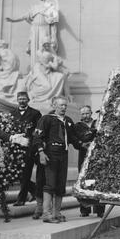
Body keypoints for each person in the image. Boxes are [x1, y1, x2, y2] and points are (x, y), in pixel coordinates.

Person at [33, 96, 86, 224]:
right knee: (50, 183)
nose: (64, 108)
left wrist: (83, 144)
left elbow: (73, 138)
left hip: (64, 154)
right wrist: (41, 153)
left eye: (65, 106)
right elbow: (37, 137)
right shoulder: (46, 119)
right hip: (51, 154)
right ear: (54, 106)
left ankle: (57, 212)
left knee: (61, 184)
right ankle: (47, 213)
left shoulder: (68, 120)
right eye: (61, 105)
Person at [6, 0, 59, 68]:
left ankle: (44, 68)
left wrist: (53, 36)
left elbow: (53, 22)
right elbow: (24, 16)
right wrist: (13, 20)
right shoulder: (34, 7)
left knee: (44, 47)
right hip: (35, 29)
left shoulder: (50, 6)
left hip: (44, 29)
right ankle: (34, 69)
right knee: (34, 49)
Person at [11, 91, 42, 207]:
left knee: (25, 173)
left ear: (28, 100)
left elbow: (39, 131)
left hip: (29, 148)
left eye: (24, 99)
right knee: (18, 174)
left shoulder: (35, 113)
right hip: (15, 148)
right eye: (20, 99)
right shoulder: (12, 113)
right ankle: (34, 190)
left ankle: (21, 199)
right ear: (17, 100)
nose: (22, 101)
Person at [74, 105, 105, 217]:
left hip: (97, 156)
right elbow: (81, 138)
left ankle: (99, 210)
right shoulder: (78, 126)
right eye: (83, 114)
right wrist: (92, 132)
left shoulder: (98, 122)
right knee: (84, 182)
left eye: (87, 113)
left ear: (91, 113)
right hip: (83, 157)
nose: (85, 116)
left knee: (98, 181)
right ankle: (84, 209)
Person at [26, 39, 70, 104]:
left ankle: (61, 98)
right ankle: (33, 94)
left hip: (49, 73)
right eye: (45, 45)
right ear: (43, 45)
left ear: (50, 45)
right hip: (39, 71)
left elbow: (55, 66)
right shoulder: (39, 52)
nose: (46, 46)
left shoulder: (53, 55)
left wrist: (50, 64)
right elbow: (40, 61)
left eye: (48, 45)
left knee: (61, 76)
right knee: (47, 87)